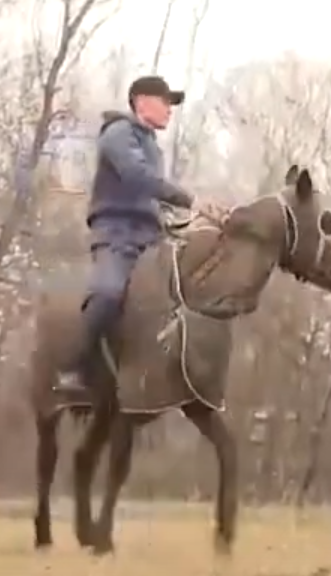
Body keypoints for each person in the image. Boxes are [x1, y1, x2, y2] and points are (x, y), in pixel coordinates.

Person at [54, 75, 229, 392]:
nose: (170, 111)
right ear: (142, 101)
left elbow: (151, 194)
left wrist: (187, 222)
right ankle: (75, 368)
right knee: (108, 293)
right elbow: (138, 177)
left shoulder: (152, 147)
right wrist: (192, 201)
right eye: (166, 102)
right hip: (117, 233)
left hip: (150, 236)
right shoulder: (118, 134)